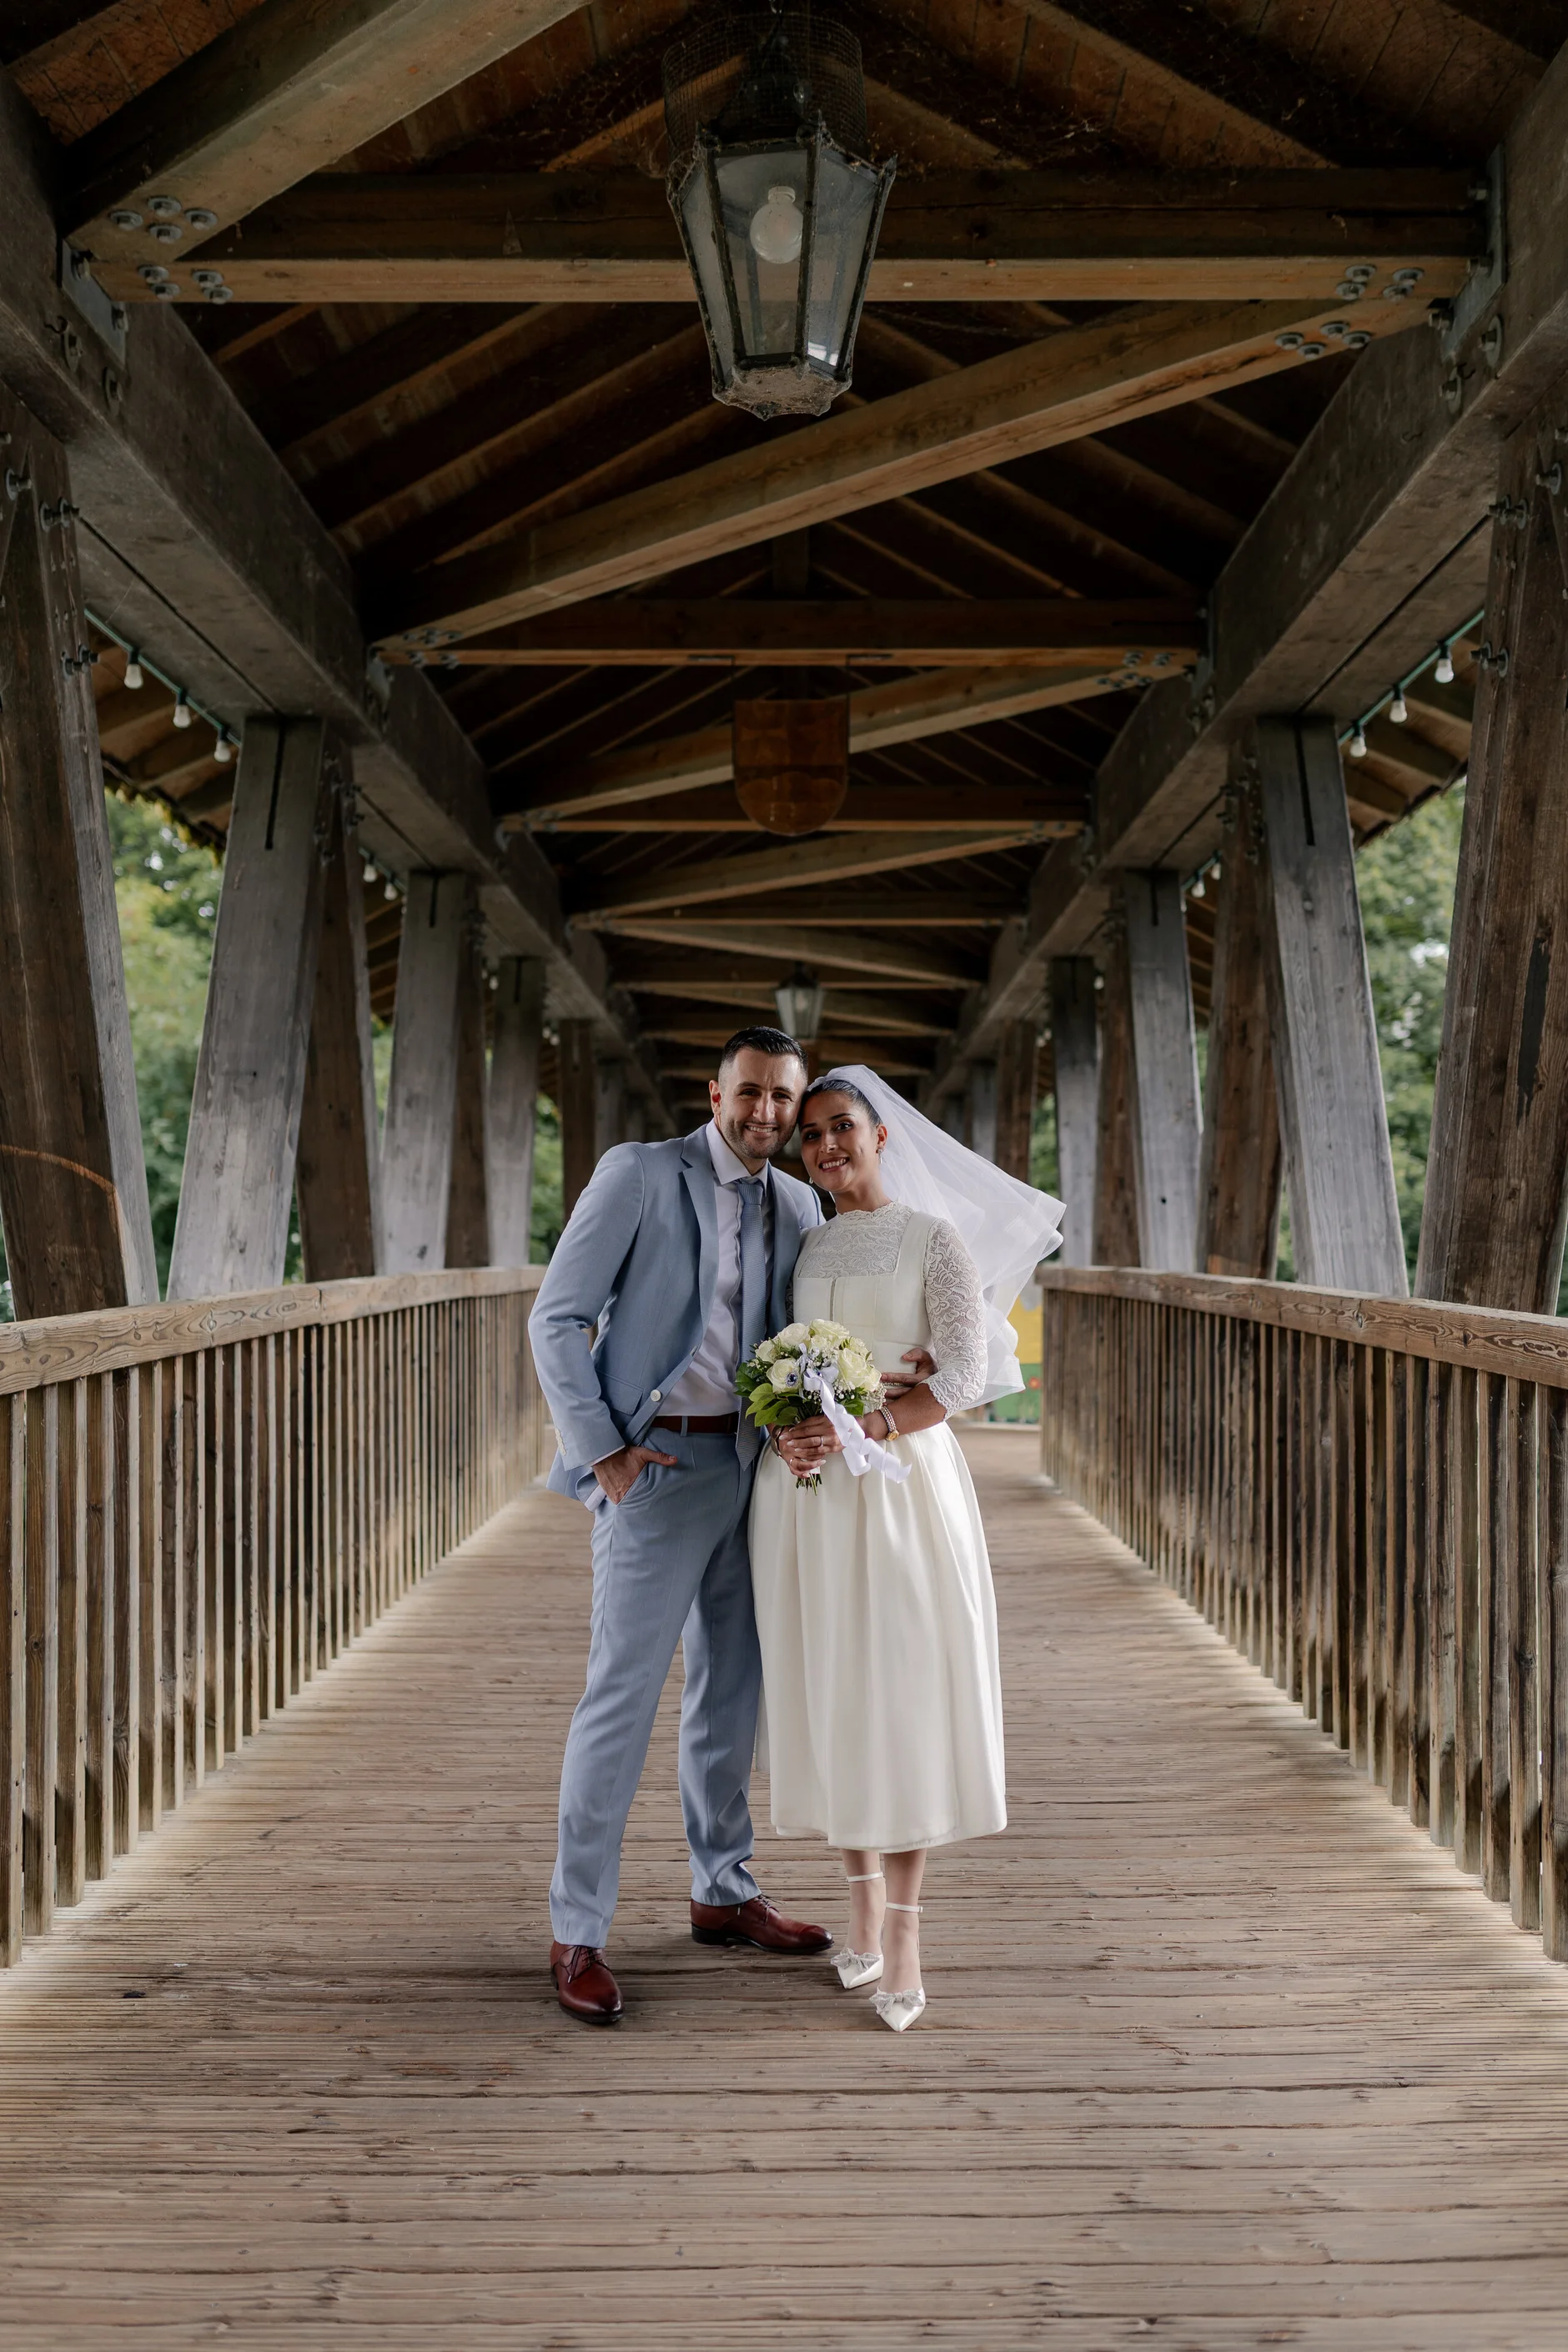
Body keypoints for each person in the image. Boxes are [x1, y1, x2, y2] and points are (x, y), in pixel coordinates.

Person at [530, 1029, 837, 2025]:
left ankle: (722, 1888)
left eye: (784, 1100)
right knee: (618, 1700)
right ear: (716, 1091)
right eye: (750, 1093)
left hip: (749, 1474)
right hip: (653, 1473)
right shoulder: (637, 1176)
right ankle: (576, 1928)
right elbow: (556, 1318)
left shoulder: (797, 1203)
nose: (766, 1114)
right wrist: (604, 1453)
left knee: (730, 1694)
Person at [749, 1066, 1063, 2033]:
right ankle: (857, 1915)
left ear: (881, 1136)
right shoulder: (802, 1244)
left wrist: (871, 1426)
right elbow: (772, 1359)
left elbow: (966, 1374)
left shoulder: (936, 1240)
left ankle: (909, 1929)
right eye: (809, 1136)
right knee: (829, 1687)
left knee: (900, 1692)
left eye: (840, 1127)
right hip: (802, 1496)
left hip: (897, 1490)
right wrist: (784, 1426)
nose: (824, 1147)